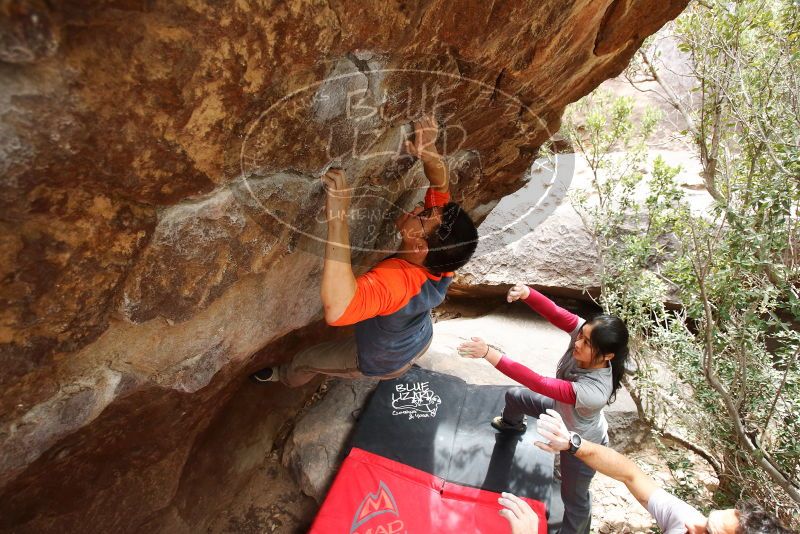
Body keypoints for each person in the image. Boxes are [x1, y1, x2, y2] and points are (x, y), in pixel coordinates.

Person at [252, 116, 478, 386]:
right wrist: (428, 152)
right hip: (419, 338)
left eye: (424, 214)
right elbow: (440, 187)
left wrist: (337, 218)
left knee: (307, 358)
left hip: (382, 359)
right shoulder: (444, 256)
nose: (419, 207)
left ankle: (285, 377)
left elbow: (338, 310)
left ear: (419, 245)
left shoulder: (399, 283)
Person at [457, 283, 630, 534]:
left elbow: (539, 383)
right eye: (581, 335)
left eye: (587, 342)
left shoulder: (595, 392)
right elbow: (557, 314)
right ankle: (511, 424)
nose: (578, 342)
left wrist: (488, 353)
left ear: (607, 356)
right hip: (559, 412)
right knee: (515, 397)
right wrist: (528, 294)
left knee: (574, 498)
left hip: (577, 442)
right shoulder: (586, 335)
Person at [533, 410, 792, 534]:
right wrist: (572, 443)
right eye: (708, 518)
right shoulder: (691, 522)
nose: (692, 523)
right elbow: (630, 474)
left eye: (709, 533)